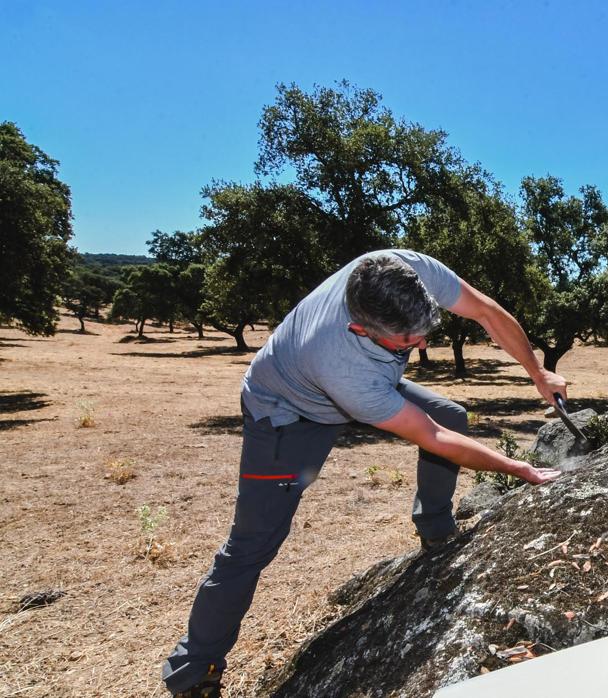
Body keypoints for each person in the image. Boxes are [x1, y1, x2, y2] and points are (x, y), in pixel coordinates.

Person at [161, 250, 565, 697]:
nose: (423, 348)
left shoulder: (403, 268)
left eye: (425, 333)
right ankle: (194, 669)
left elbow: (487, 312)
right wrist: (517, 467)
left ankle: (435, 530)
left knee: (452, 414)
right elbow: (430, 437)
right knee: (252, 545)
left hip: (360, 384)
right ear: (361, 329)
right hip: (286, 413)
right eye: (407, 344)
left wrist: (537, 372)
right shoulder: (341, 363)